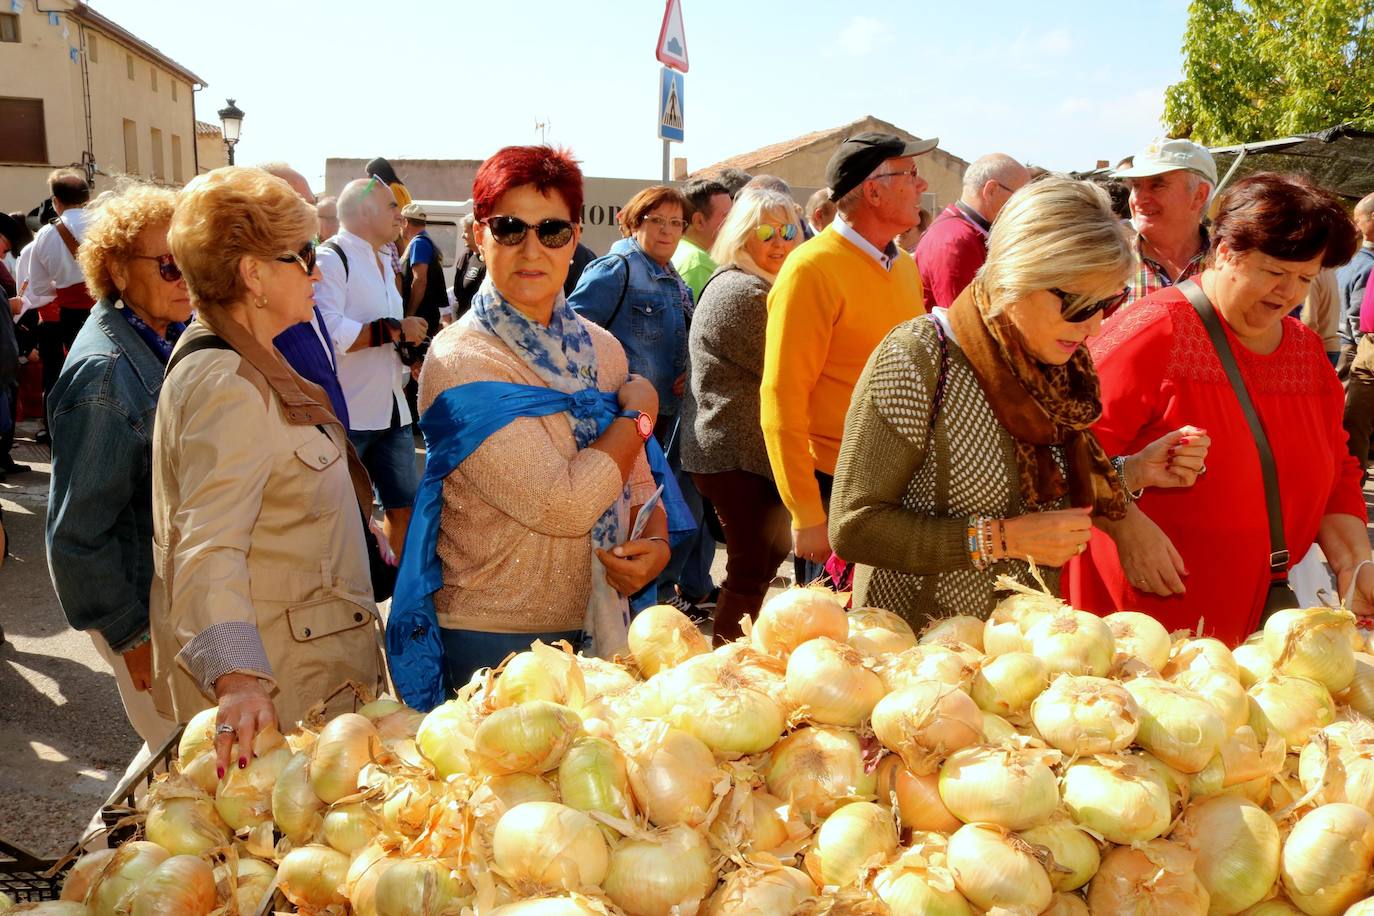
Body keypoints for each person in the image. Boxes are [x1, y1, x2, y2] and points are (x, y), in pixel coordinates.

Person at [830, 177, 1206, 627]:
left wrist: (1136, 469)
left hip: (1025, 654)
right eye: (1080, 304)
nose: (1096, 327)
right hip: (915, 658)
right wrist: (999, 540)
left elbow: (1045, 488)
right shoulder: (921, 358)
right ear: (1018, 274)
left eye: (1109, 301)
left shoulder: (1062, 366)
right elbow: (853, 526)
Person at [406, 145, 671, 694]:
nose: (532, 248)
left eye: (551, 230)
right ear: (479, 236)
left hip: (600, 624)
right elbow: (565, 505)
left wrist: (658, 541)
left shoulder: (604, 349)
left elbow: (639, 480)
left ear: (574, 237)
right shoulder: (463, 359)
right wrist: (640, 417)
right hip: (493, 634)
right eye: (509, 228)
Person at [1065, 173, 1369, 645]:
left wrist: (1355, 564)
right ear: (1225, 251)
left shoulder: (1308, 352)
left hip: (1261, 616)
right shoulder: (1153, 330)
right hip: (1150, 614)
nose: (1289, 293)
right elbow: (1064, 451)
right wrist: (1124, 526)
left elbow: (1339, 474)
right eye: (1274, 272)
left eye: (1305, 279)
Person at [151, 166, 384, 772]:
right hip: (285, 697)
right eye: (302, 255)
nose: (316, 269)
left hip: (310, 677)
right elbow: (207, 547)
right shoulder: (228, 383)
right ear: (253, 274)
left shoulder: (249, 359)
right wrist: (238, 680)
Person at [45, 180, 190, 748]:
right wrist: (131, 637)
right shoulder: (105, 375)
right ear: (118, 270)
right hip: (137, 610)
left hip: (163, 599)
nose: (186, 281)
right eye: (169, 266)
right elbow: (76, 534)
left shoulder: (156, 334)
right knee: (174, 754)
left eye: (190, 263)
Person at [762, 131, 933, 586]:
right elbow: (781, 397)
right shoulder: (810, 270)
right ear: (873, 191)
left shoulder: (905, 266)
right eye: (911, 174)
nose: (922, 184)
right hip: (836, 487)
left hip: (899, 485)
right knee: (836, 638)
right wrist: (805, 512)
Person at [569, 186, 711, 614]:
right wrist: (624, 380)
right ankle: (640, 607)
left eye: (676, 223)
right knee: (638, 516)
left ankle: (656, 601)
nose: (668, 231)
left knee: (665, 515)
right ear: (633, 222)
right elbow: (575, 331)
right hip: (625, 421)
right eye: (657, 221)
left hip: (665, 421)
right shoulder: (618, 269)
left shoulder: (673, 277)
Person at [680, 189, 803, 642]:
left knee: (762, 563)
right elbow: (792, 367)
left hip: (744, 452)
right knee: (751, 568)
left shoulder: (757, 285)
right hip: (734, 453)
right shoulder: (742, 291)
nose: (780, 242)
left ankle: (736, 657)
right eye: (766, 232)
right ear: (739, 235)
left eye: (788, 231)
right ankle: (726, 671)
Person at [314, 177, 428, 556]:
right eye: (391, 206)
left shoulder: (382, 259)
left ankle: (395, 593)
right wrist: (397, 329)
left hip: (391, 411)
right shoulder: (332, 259)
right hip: (350, 417)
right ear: (365, 211)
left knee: (404, 507)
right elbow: (331, 334)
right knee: (341, 515)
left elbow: (382, 333)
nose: (400, 214)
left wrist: (408, 346)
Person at [258, 163, 351, 430]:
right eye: (299, 204)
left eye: (312, 204)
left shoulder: (294, 291)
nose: (317, 274)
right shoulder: (227, 373)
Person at [23, 169, 95, 441]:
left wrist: (65, 284)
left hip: (71, 316)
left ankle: (70, 436)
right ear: (88, 198)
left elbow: (40, 289)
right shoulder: (106, 223)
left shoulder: (45, 235)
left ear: (55, 201)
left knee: (76, 375)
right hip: (114, 308)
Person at [914, 153, 1031, 309]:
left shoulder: (961, 232)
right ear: (991, 191)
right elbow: (963, 322)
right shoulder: (956, 240)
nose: (1025, 207)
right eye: (1021, 198)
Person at [1112, 138, 1216, 311]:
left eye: (1157, 185)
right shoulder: (1108, 263)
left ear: (1199, 195)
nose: (1139, 198)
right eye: (1136, 186)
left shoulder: (1230, 264)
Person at [672, 177, 732, 301]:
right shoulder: (698, 263)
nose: (734, 222)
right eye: (727, 216)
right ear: (699, 221)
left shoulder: (678, 249)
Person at [1336, 192, 1374, 378]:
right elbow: (1357, 315)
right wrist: (1364, 350)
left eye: (1357, 220)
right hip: (1351, 346)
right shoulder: (1369, 266)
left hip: (1335, 340)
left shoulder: (1348, 260)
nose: (1355, 227)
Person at [399, 202, 446, 338]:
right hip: (427, 315)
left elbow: (420, 280)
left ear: (406, 222)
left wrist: (409, 314)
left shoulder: (419, 243)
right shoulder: (426, 241)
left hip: (421, 317)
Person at [453, 213, 486, 318]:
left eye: (465, 232)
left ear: (476, 232)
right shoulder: (469, 257)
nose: (462, 235)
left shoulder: (488, 261)